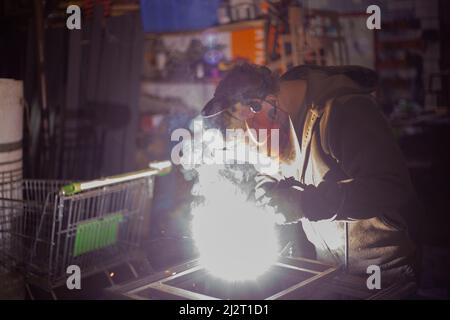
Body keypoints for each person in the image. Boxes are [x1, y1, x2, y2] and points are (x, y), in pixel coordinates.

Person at [201, 63, 421, 285]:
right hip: (331, 272)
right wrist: (264, 193)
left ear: (269, 105)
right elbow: (271, 172)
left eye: (250, 142)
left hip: (383, 274)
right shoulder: (279, 125)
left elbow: (393, 187)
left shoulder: (344, 111)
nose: (253, 151)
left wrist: (306, 203)